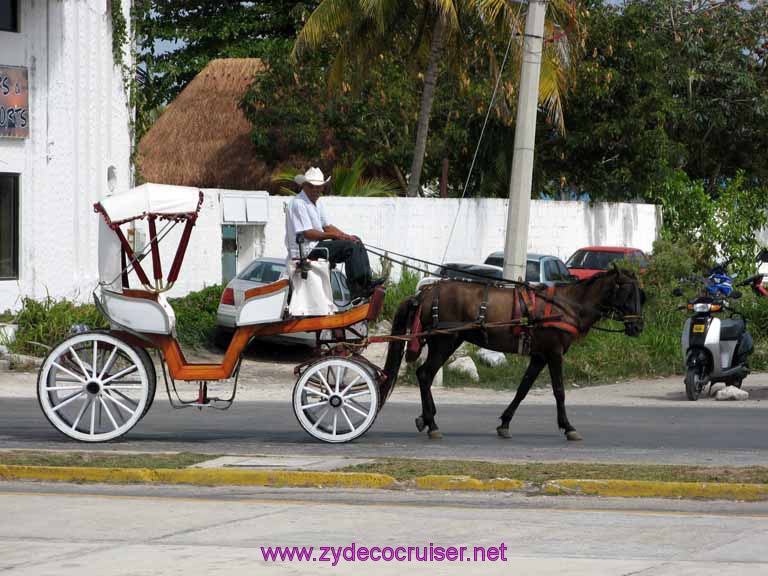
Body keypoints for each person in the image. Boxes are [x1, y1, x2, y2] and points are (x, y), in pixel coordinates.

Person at [284, 167, 382, 300]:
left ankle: (366, 283)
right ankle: (357, 290)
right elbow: (308, 233)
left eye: (319, 187)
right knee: (350, 248)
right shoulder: (298, 204)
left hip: (317, 245)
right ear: (304, 186)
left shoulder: (318, 204)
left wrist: (346, 236)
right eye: (313, 187)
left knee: (355, 241)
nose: (316, 190)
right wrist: (335, 236)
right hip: (306, 251)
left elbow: (327, 226)